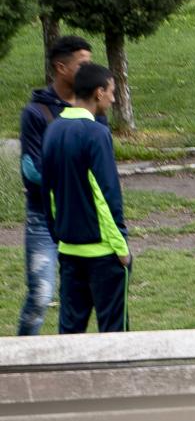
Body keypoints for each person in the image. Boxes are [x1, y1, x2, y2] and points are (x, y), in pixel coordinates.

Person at [41, 63, 130, 333]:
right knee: (114, 335)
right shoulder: (96, 133)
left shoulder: (53, 129)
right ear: (98, 92)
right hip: (103, 252)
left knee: (69, 334)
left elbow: (48, 191)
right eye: (112, 92)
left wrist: (59, 236)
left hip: (68, 250)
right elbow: (106, 194)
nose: (113, 99)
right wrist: (121, 247)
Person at [17, 36, 96, 335]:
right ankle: (19, 363)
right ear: (61, 68)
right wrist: (72, 179)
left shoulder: (93, 108)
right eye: (83, 64)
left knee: (80, 301)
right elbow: (30, 170)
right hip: (43, 219)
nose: (89, 71)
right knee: (40, 297)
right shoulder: (36, 114)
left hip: (83, 220)